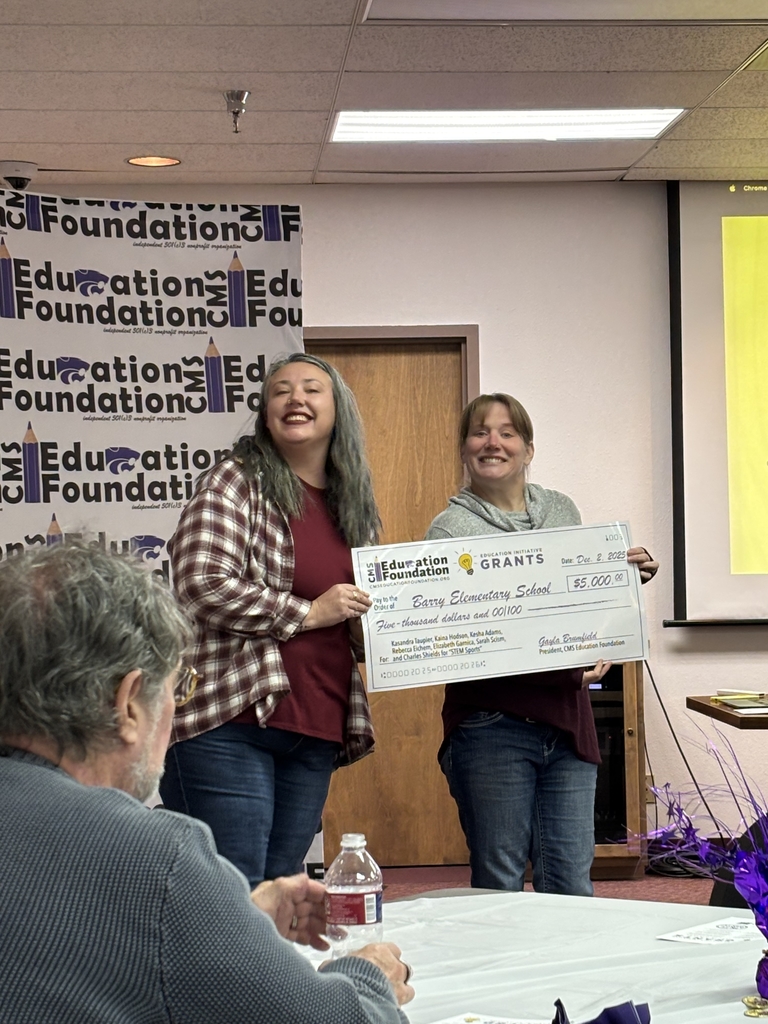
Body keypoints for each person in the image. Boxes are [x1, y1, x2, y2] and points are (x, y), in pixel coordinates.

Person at [0, 543, 413, 1024]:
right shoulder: (158, 859)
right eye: (179, 689)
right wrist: (370, 981)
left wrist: (231, 919)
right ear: (129, 703)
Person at [160, 352, 380, 886]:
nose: (295, 399)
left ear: (338, 410)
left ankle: (264, 975)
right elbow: (201, 581)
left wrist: (364, 629)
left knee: (280, 888)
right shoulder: (236, 480)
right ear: (264, 410)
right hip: (230, 720)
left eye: (311, 389)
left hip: (318, 722)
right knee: (232, 888)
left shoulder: (355, 507)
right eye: (280, 390)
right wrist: (310, 612)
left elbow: (361, 615)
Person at [426, 393, 659, 896]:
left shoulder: (561, 509)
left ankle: (570, 977)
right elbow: (461, 635)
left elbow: (570, 603)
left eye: (507, 432)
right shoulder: (448, 531)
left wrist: (621, 580)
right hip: (491, 724)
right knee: (500, 880)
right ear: (464, 449)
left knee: (572, 880)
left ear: (528, 449)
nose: (493, 442)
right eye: (480, 432)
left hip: (568, 719)